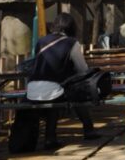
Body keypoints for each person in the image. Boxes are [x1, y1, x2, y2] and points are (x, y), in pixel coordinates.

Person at [26, 13, 99, 149]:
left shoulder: (41, 41)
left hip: (31, 89)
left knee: (55, 97)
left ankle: (50, 137)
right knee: (78, 94)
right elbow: (82, 69)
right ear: (72, 27)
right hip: (53, 89)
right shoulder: (71, 43)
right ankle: (88, 129)